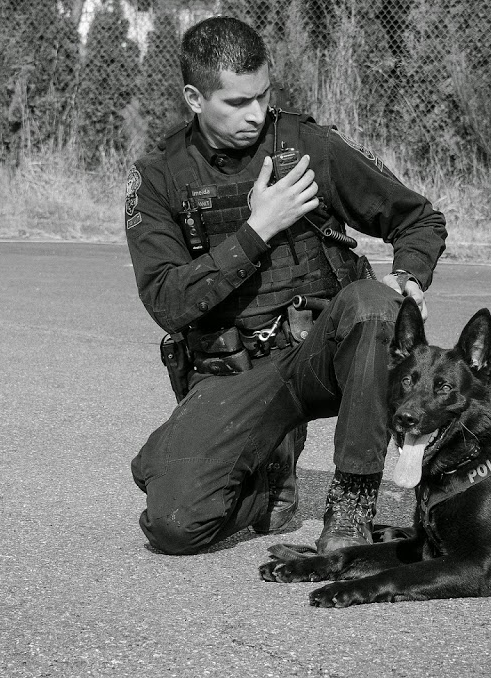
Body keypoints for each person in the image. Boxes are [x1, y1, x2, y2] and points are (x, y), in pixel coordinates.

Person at [125, 16, 447, 555]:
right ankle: (268, 478)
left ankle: (351, 506)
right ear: (193, 98)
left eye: (263, 95)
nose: (254, 114)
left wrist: (409, 277)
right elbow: (166, 301)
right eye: (235, 103)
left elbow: (419, 219)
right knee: (176, 527)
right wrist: (257, 230)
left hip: (319, 358)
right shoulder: (159, 176)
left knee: (373, 304)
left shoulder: (307, 147)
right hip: (232, 377)